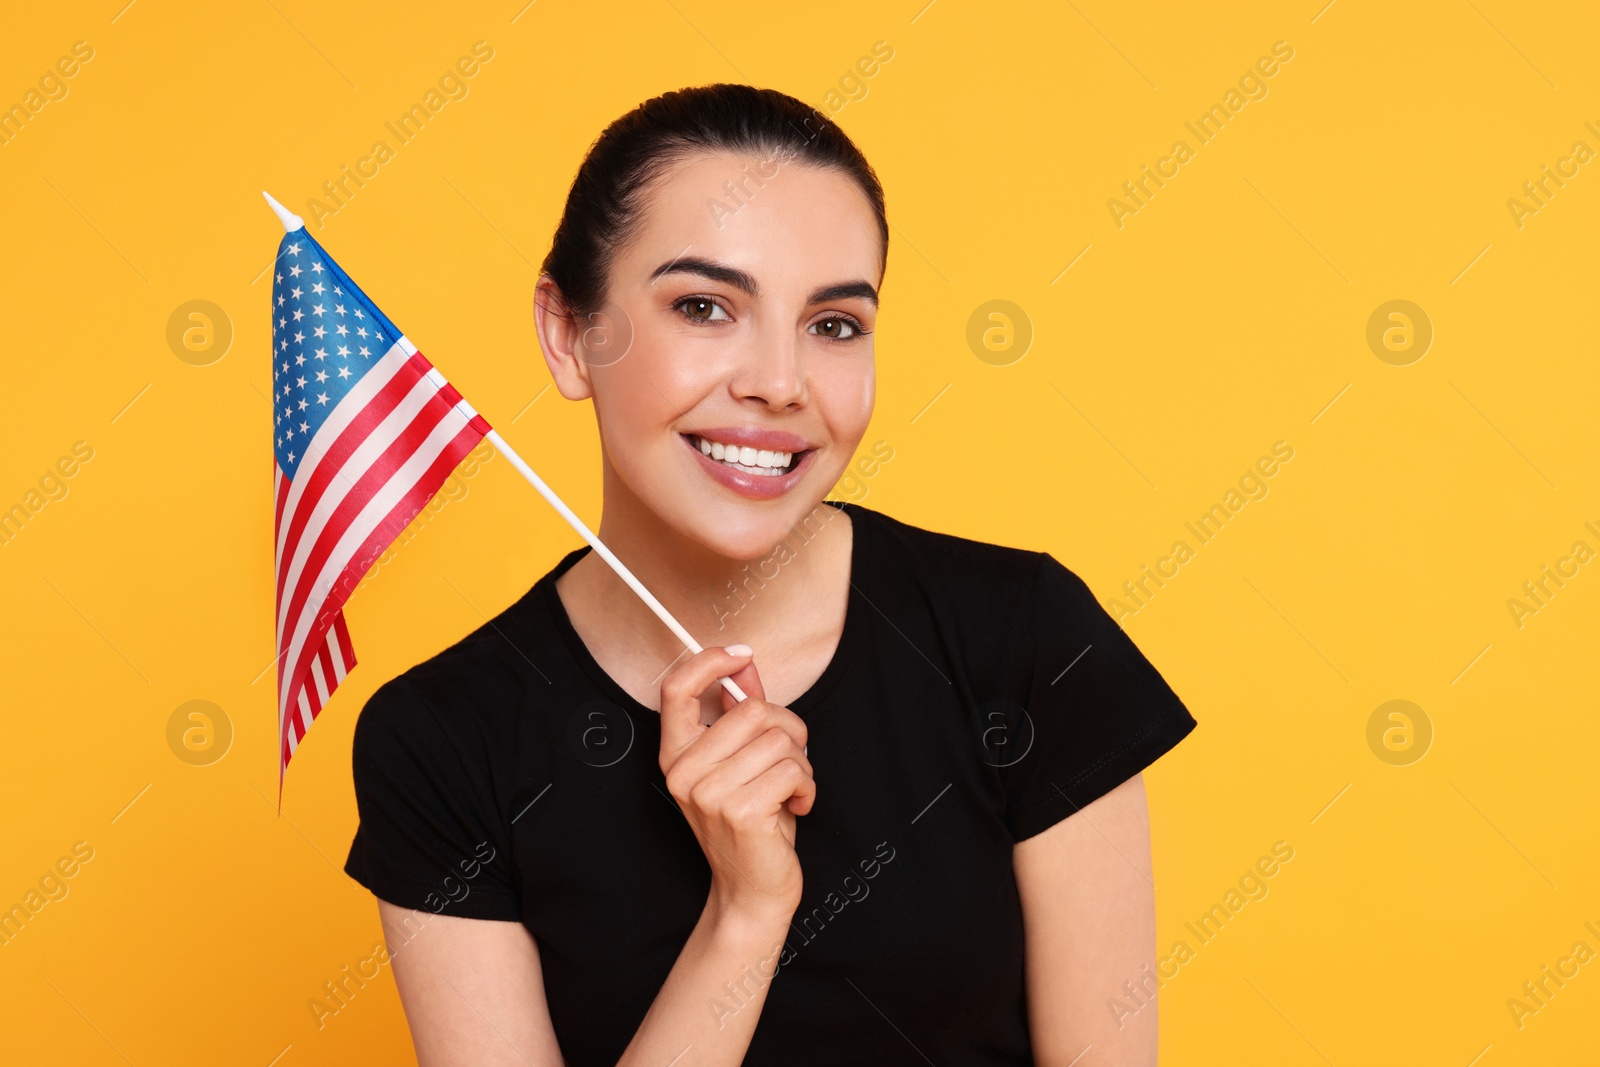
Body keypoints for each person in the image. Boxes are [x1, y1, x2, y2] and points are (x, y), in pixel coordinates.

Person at [343, 83, 1197, 1066]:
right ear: (570, 333)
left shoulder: (1023, 638)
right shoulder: (443, 740)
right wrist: (745, 915)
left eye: (833, 324)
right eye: (705, 307)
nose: (779, 382)